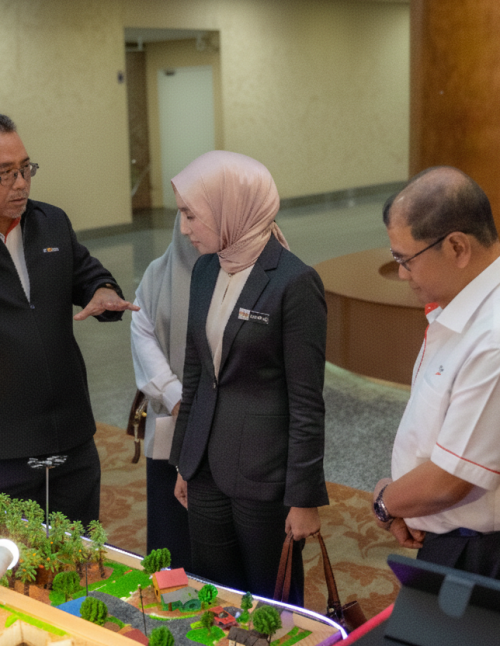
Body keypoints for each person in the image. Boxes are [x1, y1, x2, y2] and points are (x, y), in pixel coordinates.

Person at [169, 150, 329, 605]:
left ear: (230, 208)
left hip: (265, 475)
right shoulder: (206, 268)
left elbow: (307, 402)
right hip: (205, 467)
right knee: (214, 596)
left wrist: (304, 497)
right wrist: (183, 459)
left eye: (191, 215)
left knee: (271, 604)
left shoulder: (293, 282)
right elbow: (196, 372)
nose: (184, 228)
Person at [0, 114, 139, 527]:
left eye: (26, 168)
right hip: (6, 448)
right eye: (6, 173)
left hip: (71, 435)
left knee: (78, 550)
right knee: (16, 561)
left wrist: (103, 290)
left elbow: (88, 273)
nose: (21, 183)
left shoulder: (52, 222)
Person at [372, 166, 500, 577]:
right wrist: (403, 498)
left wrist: (387, 502)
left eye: (406, 259)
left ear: (457, 247)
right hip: (447, 532)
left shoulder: (492, 338)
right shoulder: (464, 308)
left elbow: (450, 481)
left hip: (478, 552)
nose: (402, 274)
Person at [131, 213, 199, 568]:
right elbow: (141, 331)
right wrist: (174, 397)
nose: (187, 227)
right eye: (184, 213)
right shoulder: (159, 272)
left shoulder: (251, 275)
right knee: (172, 536)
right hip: (173, 424)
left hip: (231, 430)